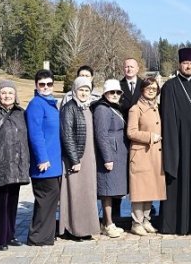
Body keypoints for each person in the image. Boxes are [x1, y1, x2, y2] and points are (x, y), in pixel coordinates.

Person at [159, 47, 191, 235]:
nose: (188, 66)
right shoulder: (170, 86)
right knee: (178, 182)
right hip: (179, 142)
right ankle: (175, 224)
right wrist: (172, 147)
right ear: (179, 65)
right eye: (185, 63)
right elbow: (167, 118)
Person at [0, 80, 30, 251]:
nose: (7, 96)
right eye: (4, 92)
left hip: (17, 165)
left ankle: (10, 235)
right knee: (0, 204)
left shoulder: (21, 113)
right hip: (0, 164)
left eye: (10, 93)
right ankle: (0, 239)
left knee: (12, 202)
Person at [58, 76, 100, 240]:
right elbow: (67, 135)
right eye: (81, 90)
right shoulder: (70, 108)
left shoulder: (87, 107)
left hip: (89, 157)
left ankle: (86, 227)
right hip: (76, 158)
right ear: (74, 91)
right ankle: (73, 229)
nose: (83, 93)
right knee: (75, 193)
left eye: (86, 90)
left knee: (87, 193)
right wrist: (75, 160)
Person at [25, 70, 63, 246]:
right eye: (42, 84)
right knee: (45, 199)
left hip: (55, 161)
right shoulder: (36, 105)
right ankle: (37, 236)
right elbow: (35, 134)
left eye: (49, 84)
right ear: (36, 85)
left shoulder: (51, 103)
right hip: (44, 163)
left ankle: (46, 235)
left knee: (51, 200)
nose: (46, 87)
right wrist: (41, 158)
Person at [126, 77, 167, 236]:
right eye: (148, 88)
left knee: (151, 188)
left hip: (154, 154)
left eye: (154, 88)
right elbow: (131, 132)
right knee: (140, 190)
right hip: (141, 153)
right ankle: (136, 222)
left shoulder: (156, 107)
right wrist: (150, 136)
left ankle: (146, 219)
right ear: (142, 90)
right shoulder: (135, 109)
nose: (151, 90)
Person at [94, 79, 129, 238]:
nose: (115, 95)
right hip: (110, 154)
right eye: (111, 92)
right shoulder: (102, 109)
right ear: (105, 93)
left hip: (118, 153)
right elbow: (101, 135)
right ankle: (107, 224)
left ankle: (109, 222)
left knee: (112, 189)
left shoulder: (114, 108)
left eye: (117, 92)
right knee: (107, 190)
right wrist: (107, 158)